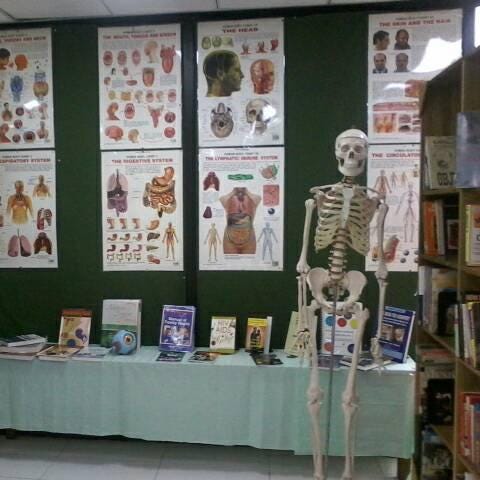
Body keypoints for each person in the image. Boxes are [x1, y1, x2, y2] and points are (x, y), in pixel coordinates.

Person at [219, 186, 260, 254]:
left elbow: (257, 198)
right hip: (230, 238)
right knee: (230, 260)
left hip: (249, 238)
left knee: (249, 260)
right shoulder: (225, 198)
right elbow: (222, 199)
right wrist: (234, 191)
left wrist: (246, 190)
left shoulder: (255, 198)